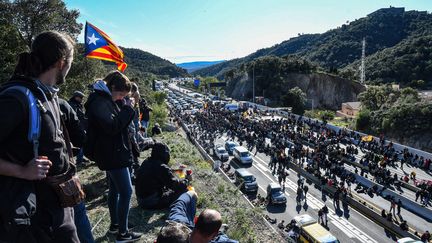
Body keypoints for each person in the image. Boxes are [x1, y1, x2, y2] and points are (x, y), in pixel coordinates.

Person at [0, 31, 80, 242]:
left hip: (57, 208)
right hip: (32, 219)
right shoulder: (17, 98)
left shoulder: (47, 95)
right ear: (62, 62)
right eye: (71, 62)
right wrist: (21, 170)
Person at [85, 71, 142, 242]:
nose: (120, 98)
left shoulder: (105, 99)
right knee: (126, 192)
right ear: (111, 88)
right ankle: (123, 234)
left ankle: (116, 225)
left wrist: (125, 106)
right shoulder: (99, 102)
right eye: (120, 95)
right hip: (112, 154)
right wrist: (127, 108)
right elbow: (112, 126)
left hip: (112, 152)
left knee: (115, 191)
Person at [58, 99, 94, 243]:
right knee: (78, 216)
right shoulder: (59, 104)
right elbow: (80, 137)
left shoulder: (10, 98)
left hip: (27, 185)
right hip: (64, 176)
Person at [156, 191, 238, 243]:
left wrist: (191, 194)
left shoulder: (176, 227)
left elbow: (180, 204)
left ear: (196, 221)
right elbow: (184, 199)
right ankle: (220, 231)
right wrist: (192, 193)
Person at [135, 142, 189, 209]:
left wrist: (175, 170)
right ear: (164, 154)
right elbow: (175, 185)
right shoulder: (161, 167)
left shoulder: (147, 161)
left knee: (166, 189)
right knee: (184, 190)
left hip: (140, 200)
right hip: (150, 202)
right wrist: (186, 180)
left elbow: (160, 173)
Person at [68, 90, 88, 164]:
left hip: (81, 126)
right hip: (76, 127)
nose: (82, 99)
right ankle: (79, 160)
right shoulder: (72, 105)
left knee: (82, 142)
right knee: (79, 143)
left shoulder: (78, 104)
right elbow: (75, 117)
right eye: (81, 97)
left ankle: (81, 158)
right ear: (76, 97)